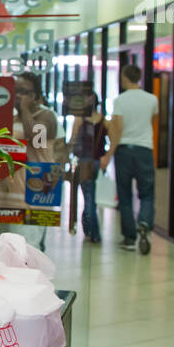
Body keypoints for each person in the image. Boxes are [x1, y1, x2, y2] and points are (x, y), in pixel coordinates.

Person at [0, 72, 61, 251]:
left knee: (28, 249)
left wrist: (25, 109)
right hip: (9, 196)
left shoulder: (47, 116)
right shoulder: (11, 117)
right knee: (7, 249)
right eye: (15, 91)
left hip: (35, 193)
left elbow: (36, 138)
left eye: (24, 92)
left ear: (35, 95)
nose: (18, 96)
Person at [101, 64, 159, 253]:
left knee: (125, 195)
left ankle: (129, 238)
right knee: (147, 193)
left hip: (124, 150)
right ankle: (144, 222)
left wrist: (109, 154)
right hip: (145, 150)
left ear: (125, 78)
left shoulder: (120, 100)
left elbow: (117, 129)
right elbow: (153, 120)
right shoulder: (152, 99)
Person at [68, 88, 107, 244]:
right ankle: (89, 228)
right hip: (97, 162)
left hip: (84, 162)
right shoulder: (104, 120)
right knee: (91, 194)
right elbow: (113, 140)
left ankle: (93, 232)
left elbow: (72, 140)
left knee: (88, 196)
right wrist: (107, 156)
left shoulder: (80, 119)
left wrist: (66, 153)